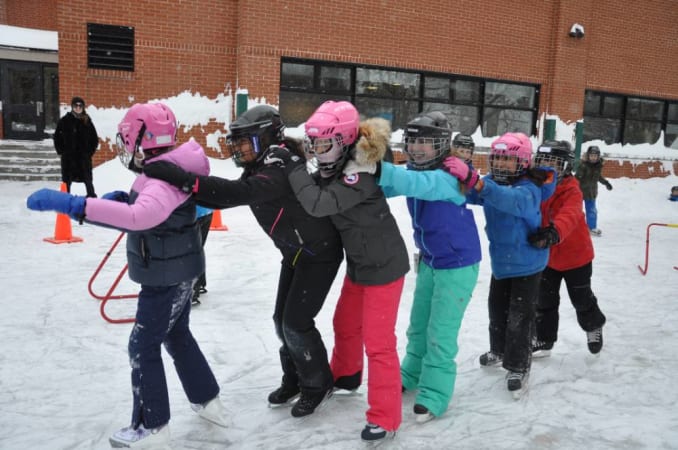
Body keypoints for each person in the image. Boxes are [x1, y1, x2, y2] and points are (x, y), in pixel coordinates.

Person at [27, 102, 228, 448]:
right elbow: (156, 207)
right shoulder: (169, 168)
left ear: (142, 139)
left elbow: (141, 217)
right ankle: (208, 399)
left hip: (164, 275)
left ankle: (152, 427)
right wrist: (126, 197)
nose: (123, 146)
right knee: (177, 335)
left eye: (125, 139)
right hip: (178, 267)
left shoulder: (164, 178)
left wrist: (72, 205)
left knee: (142, 345)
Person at [142, 105, 343, 418]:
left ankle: (318, 384)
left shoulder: (281, 165)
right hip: (296, 252)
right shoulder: (263, 163)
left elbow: (239, 193)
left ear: (265, 137)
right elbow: (226, 195)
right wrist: (178, 194)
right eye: (235, 142)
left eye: (244, 141)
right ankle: (296, 378)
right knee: (282, 321)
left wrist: (186, 180)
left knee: (295, 323)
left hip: (319, 253)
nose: (237, 148)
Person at [265, 101, 409, 442]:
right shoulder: (333, 168)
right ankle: (346, 377)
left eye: (323, 144)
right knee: (344, 323)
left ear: (344, 142)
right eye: (312, 144)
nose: (316, 151)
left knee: (379, 343)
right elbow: (307, 190)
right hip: (360, 263)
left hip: (384, 268)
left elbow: (318, 203)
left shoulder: (360, 171)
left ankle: (385, 417)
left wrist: (294, 165)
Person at [365, 112, 481, 423]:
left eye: (425, 143)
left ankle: (434, 394)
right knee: (418, 326)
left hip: (457, 264)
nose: (416, 148)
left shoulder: (448, 176)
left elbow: (416, 184)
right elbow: (390, 185)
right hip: (430, 260)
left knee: (440, 332)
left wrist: (379, 169)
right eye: (412, 141)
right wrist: (361, 173)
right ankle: (412, 374)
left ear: (442, 145)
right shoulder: (417, 168)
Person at [444, 132, 556, 398]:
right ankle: (500, 349)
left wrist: (479, 184)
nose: (502, 164)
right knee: (497, 310)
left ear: (523, 162)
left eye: (509, 159)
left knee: (520, 316)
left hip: (528, 264)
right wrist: (456, 176)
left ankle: (518, 365)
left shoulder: (530, 188)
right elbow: (473, 194)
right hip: (502, 263)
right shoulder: (493, 182)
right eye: (498, 158)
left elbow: (512, 202)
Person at [529, 140, 607, 357]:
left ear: (565, 166)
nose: (547, 167)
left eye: (554, 163)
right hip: (547, 255)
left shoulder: (571, 188)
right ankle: (544, 338)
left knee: (581, 299)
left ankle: (594, 326)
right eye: (543, 161)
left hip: (576, 257)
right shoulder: (535, 184)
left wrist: (554, 232)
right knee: (544, 300)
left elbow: (570, 214)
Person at [53, 96, 99, 197]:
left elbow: (94, 139)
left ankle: (91, 201)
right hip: (69, 158)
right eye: (75, 105)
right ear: (72, 106)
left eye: (80, 106)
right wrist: (61, 151)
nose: (78, 108)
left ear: (83, 107)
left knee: (88, 181)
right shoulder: (64, 121)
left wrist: (88, 153)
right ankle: (64, 201)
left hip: (83, 158)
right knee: (66, 182)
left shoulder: (87, 121)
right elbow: (57, 137)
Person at [575, 145, 612, 236]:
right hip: (580, 191)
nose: (593, 158)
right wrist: (575, 183)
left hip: (591, 193)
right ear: (588, 156)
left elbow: (598, 177)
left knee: (592, 210)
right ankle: (575, 228)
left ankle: (592, 228)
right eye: (591, 155)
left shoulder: (598, 166)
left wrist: (606, 183)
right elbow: (576, 178)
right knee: (576, 210)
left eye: (595, 156)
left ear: (598, 156)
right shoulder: (583, 166)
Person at [192, 205, 214, 305]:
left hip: (193, 213)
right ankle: (199, 282)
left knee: (190, 251)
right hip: (206, 210)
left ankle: (192, 289)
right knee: (197, 248)